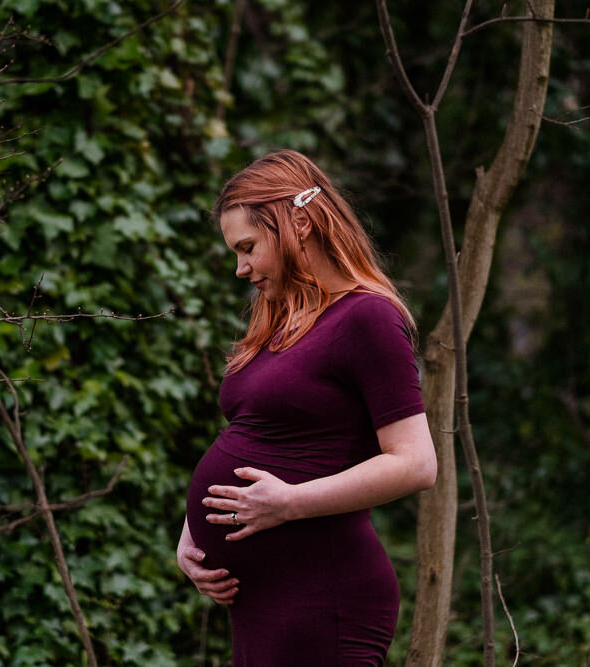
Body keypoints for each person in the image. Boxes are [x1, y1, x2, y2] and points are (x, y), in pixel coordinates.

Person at [177, 150, 436, 665]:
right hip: (259, 600)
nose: (240, 268)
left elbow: (416, 464)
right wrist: (192, 533)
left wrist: (289, 501)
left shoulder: (368, 318)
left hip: (325, 596)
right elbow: (257, 430)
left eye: (248, 247)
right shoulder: (278, 322)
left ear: (299, 221)